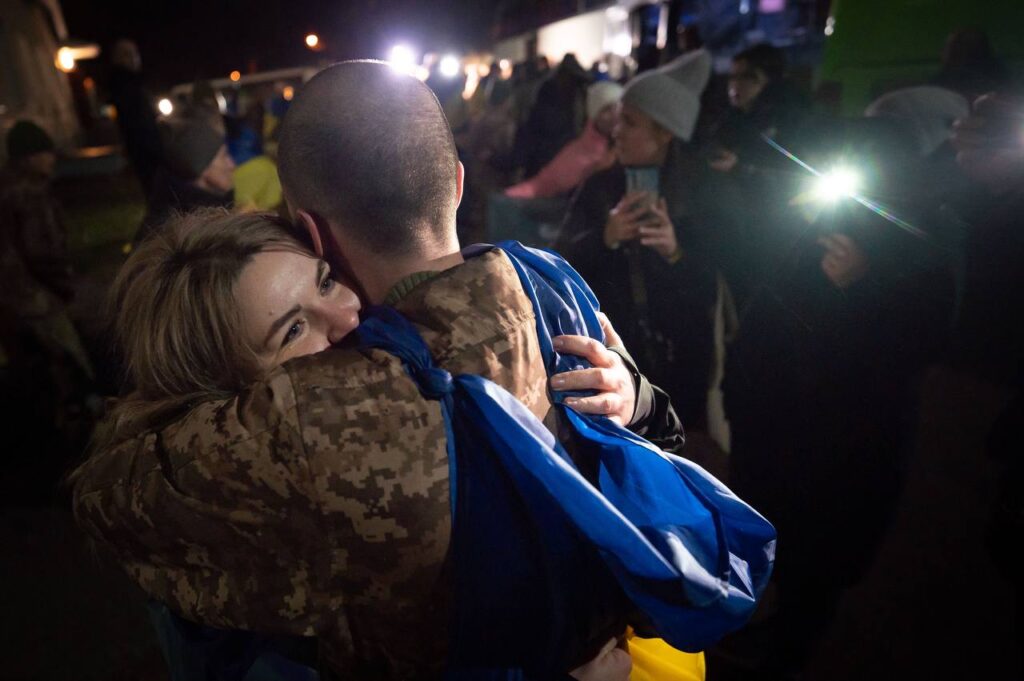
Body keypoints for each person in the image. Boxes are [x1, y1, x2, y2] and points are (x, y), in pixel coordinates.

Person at [72, 62, 770, 679]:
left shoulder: (321, 435)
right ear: (459, 182)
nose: (342, 318)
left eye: (322, 281)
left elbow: (110, 495)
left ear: (315, 233)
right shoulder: (546, 278)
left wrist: (640, 404)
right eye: (290, 328)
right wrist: (639, 399)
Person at [556, 55, 720, 433]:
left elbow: (723, 285)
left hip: (680, 366)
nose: (616, 130)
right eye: (618, 117)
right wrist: (605, 237)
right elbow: (560, 261)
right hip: (611, 362)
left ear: (665, 133)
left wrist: (675, 252)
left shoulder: (703, 195)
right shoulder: (599, 186)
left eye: (630, 122)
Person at [0, 121, 95, 503]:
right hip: (36, 302)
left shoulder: (5, 189)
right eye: (46, 152)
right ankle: (81, 471)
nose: (52, 158)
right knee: (72, 376)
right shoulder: (31, 195)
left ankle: (43, 453)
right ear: (30, 157)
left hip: (10, 304)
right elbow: (45, 254)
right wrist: (66, 289)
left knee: (35, 377)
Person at [135, 118, 235, 242]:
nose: (232, 164)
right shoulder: (172, 233)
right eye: (224, 156)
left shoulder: (208, 210)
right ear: (200, 167)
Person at [108, 39, 164, 195]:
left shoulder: (136, 81)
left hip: (147, 143)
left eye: (134, 53)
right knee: (154, 186)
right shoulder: (123, 82)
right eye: (126, 54)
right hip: (143, 145)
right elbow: (134, 118)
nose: (133, 58)